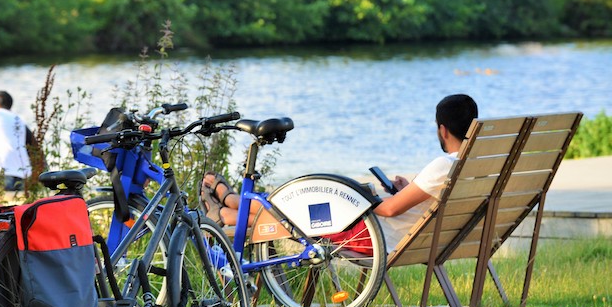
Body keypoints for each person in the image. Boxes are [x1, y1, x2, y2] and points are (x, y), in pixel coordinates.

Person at [202, 94, 479, 254]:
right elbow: (417, 204)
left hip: (378, 237)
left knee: (305, 209)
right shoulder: (472, 165)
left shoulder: (444, 165)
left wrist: (361, 194)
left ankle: (229, 207)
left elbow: (390, 210)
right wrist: (408, 188)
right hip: (413, 237)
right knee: (301, 213)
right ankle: (229, 209)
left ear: (442, 129)